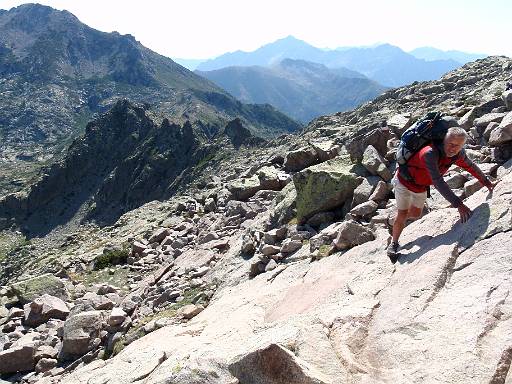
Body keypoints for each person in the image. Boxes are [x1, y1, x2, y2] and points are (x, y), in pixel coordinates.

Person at [387, 126, 495, 261]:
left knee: (416, 214)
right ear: (444, 140)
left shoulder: (458, 154)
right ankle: (394, 243)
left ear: (462, 146)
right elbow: (438, 182)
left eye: (458, 146)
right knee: (402, 213)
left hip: (420, 187)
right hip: (403, 182)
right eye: (450, 144)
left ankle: (396, 221)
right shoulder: (429, 153)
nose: (453, 149)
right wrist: (459, 205)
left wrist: (486, 182)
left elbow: (470, 166)